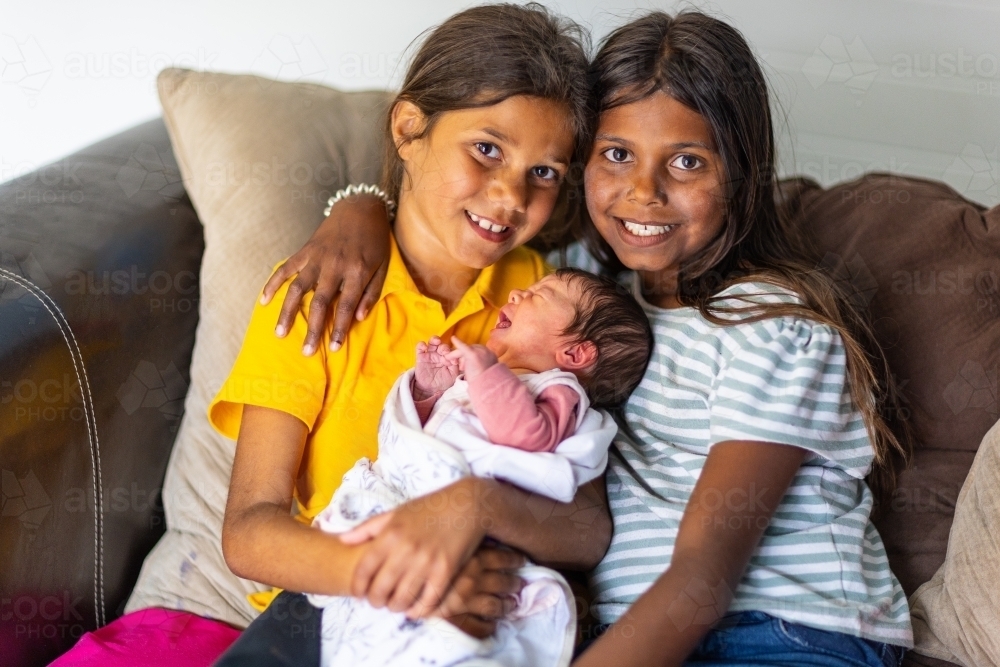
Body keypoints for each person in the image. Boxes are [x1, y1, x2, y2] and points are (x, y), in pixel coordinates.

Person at [268, 9, 915, 667]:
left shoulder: (773, 326)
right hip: (628, 633)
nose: (642, 192)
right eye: (616, 154)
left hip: (783, 630)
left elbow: (703, 579)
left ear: (742, 174)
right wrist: (357, 210)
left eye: (686, 161)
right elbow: (443, 195)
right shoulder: (577, 287)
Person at [204, 5, 613, 666]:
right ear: (408, 127)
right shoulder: (318, 296)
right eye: (486, 149)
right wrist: (405, 576)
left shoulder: (542, 298)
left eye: (544, 173)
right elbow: (250, 531)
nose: (510, 196)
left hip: (489, 608)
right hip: (326, 600)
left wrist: (473, 510)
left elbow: (587, 527)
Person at [307, 269, 652, 667]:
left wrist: (486, 374)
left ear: (574, 355)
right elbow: (431, 433)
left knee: (430, 627)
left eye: (544, 294)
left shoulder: (558, 391)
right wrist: (427, 390)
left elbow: (529, 437)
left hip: (465, 540)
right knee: (372, 621)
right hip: (411, 506)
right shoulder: (489, 379)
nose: (520, 292)